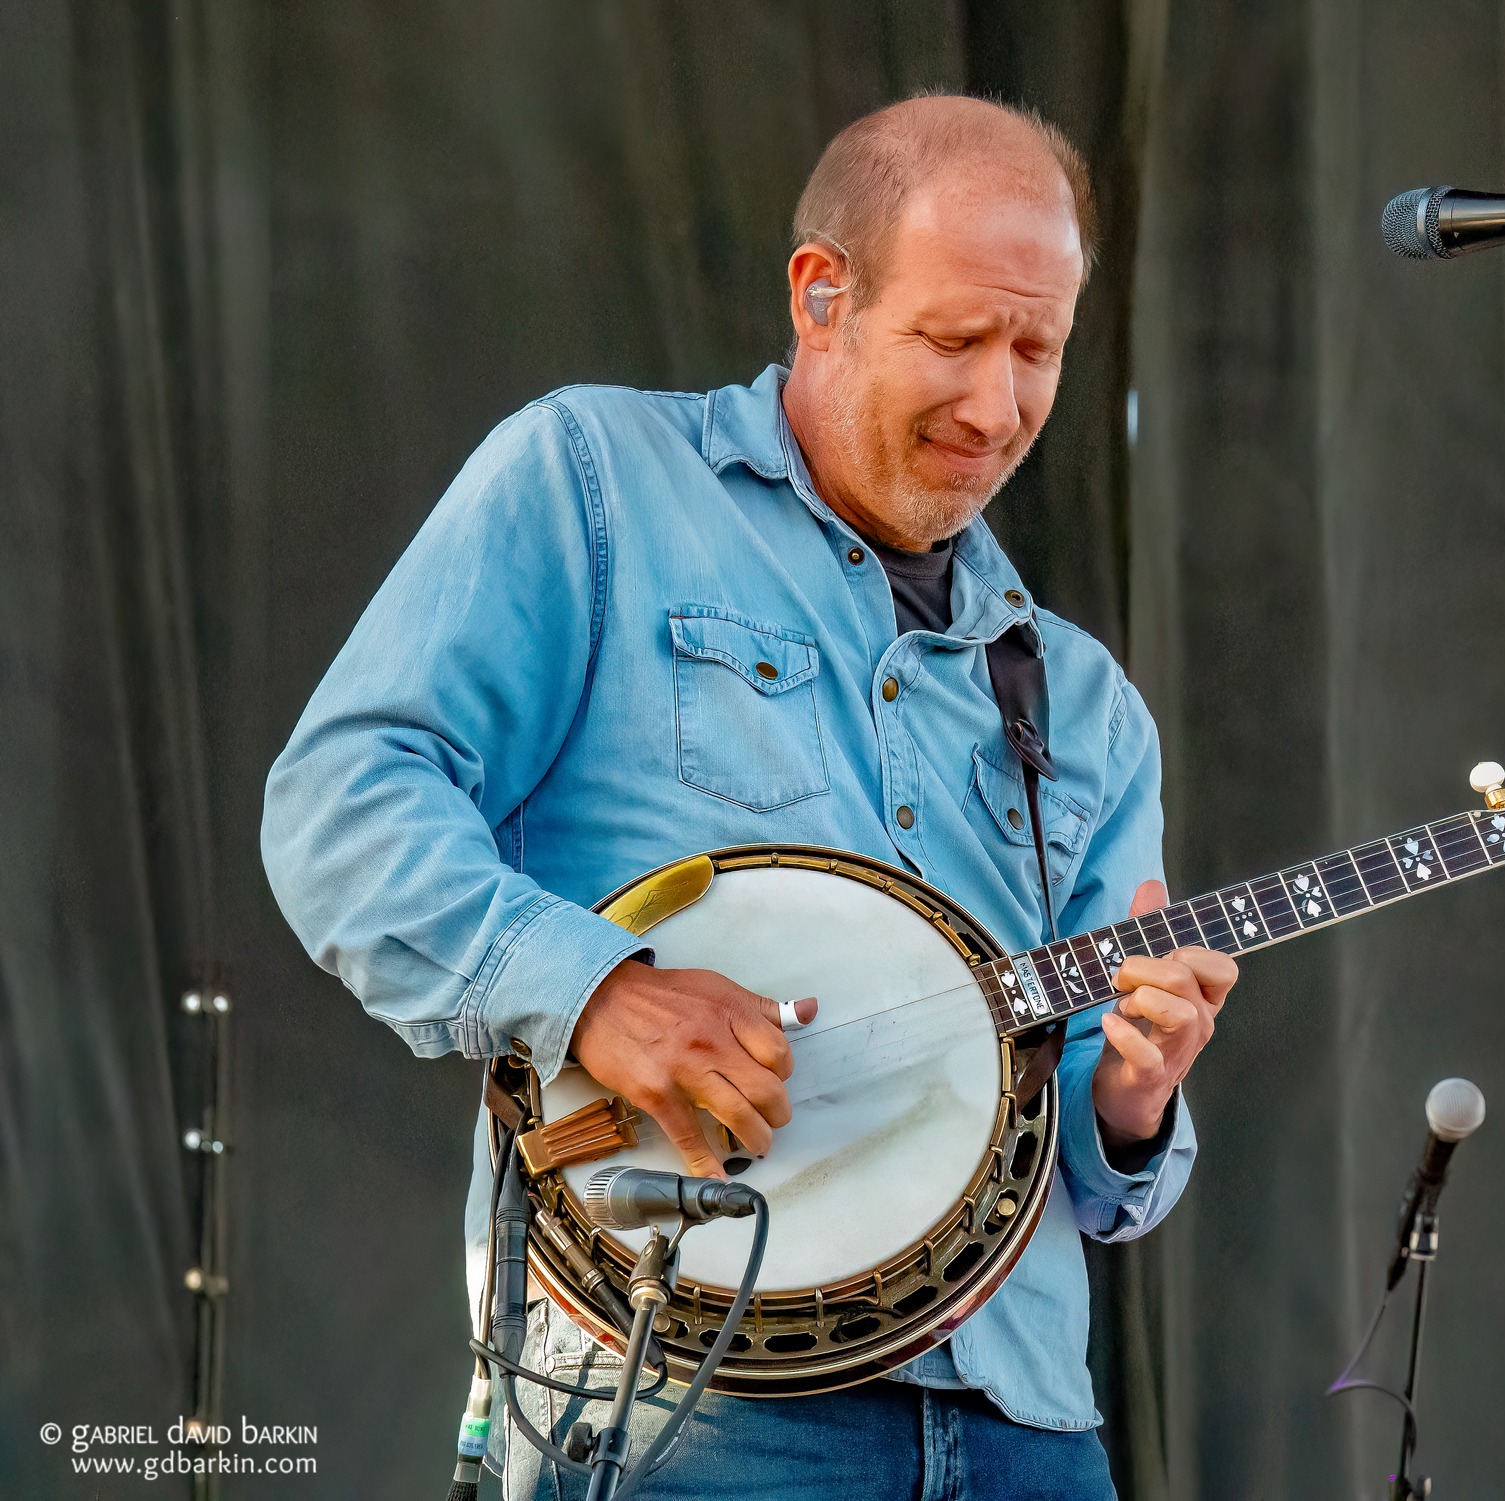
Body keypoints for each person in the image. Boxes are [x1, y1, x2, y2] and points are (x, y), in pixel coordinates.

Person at [261, 93, 1237, 1499]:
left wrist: (1134, 1097)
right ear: (822, 297)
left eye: (1040, 350)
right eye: (958, 340)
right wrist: (597, 987)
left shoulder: (1080, 700)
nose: (999, 403)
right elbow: (343, 799)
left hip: (1024, 1416)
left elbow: (1083, 1148)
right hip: (685, 1392)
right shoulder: (594, 482)